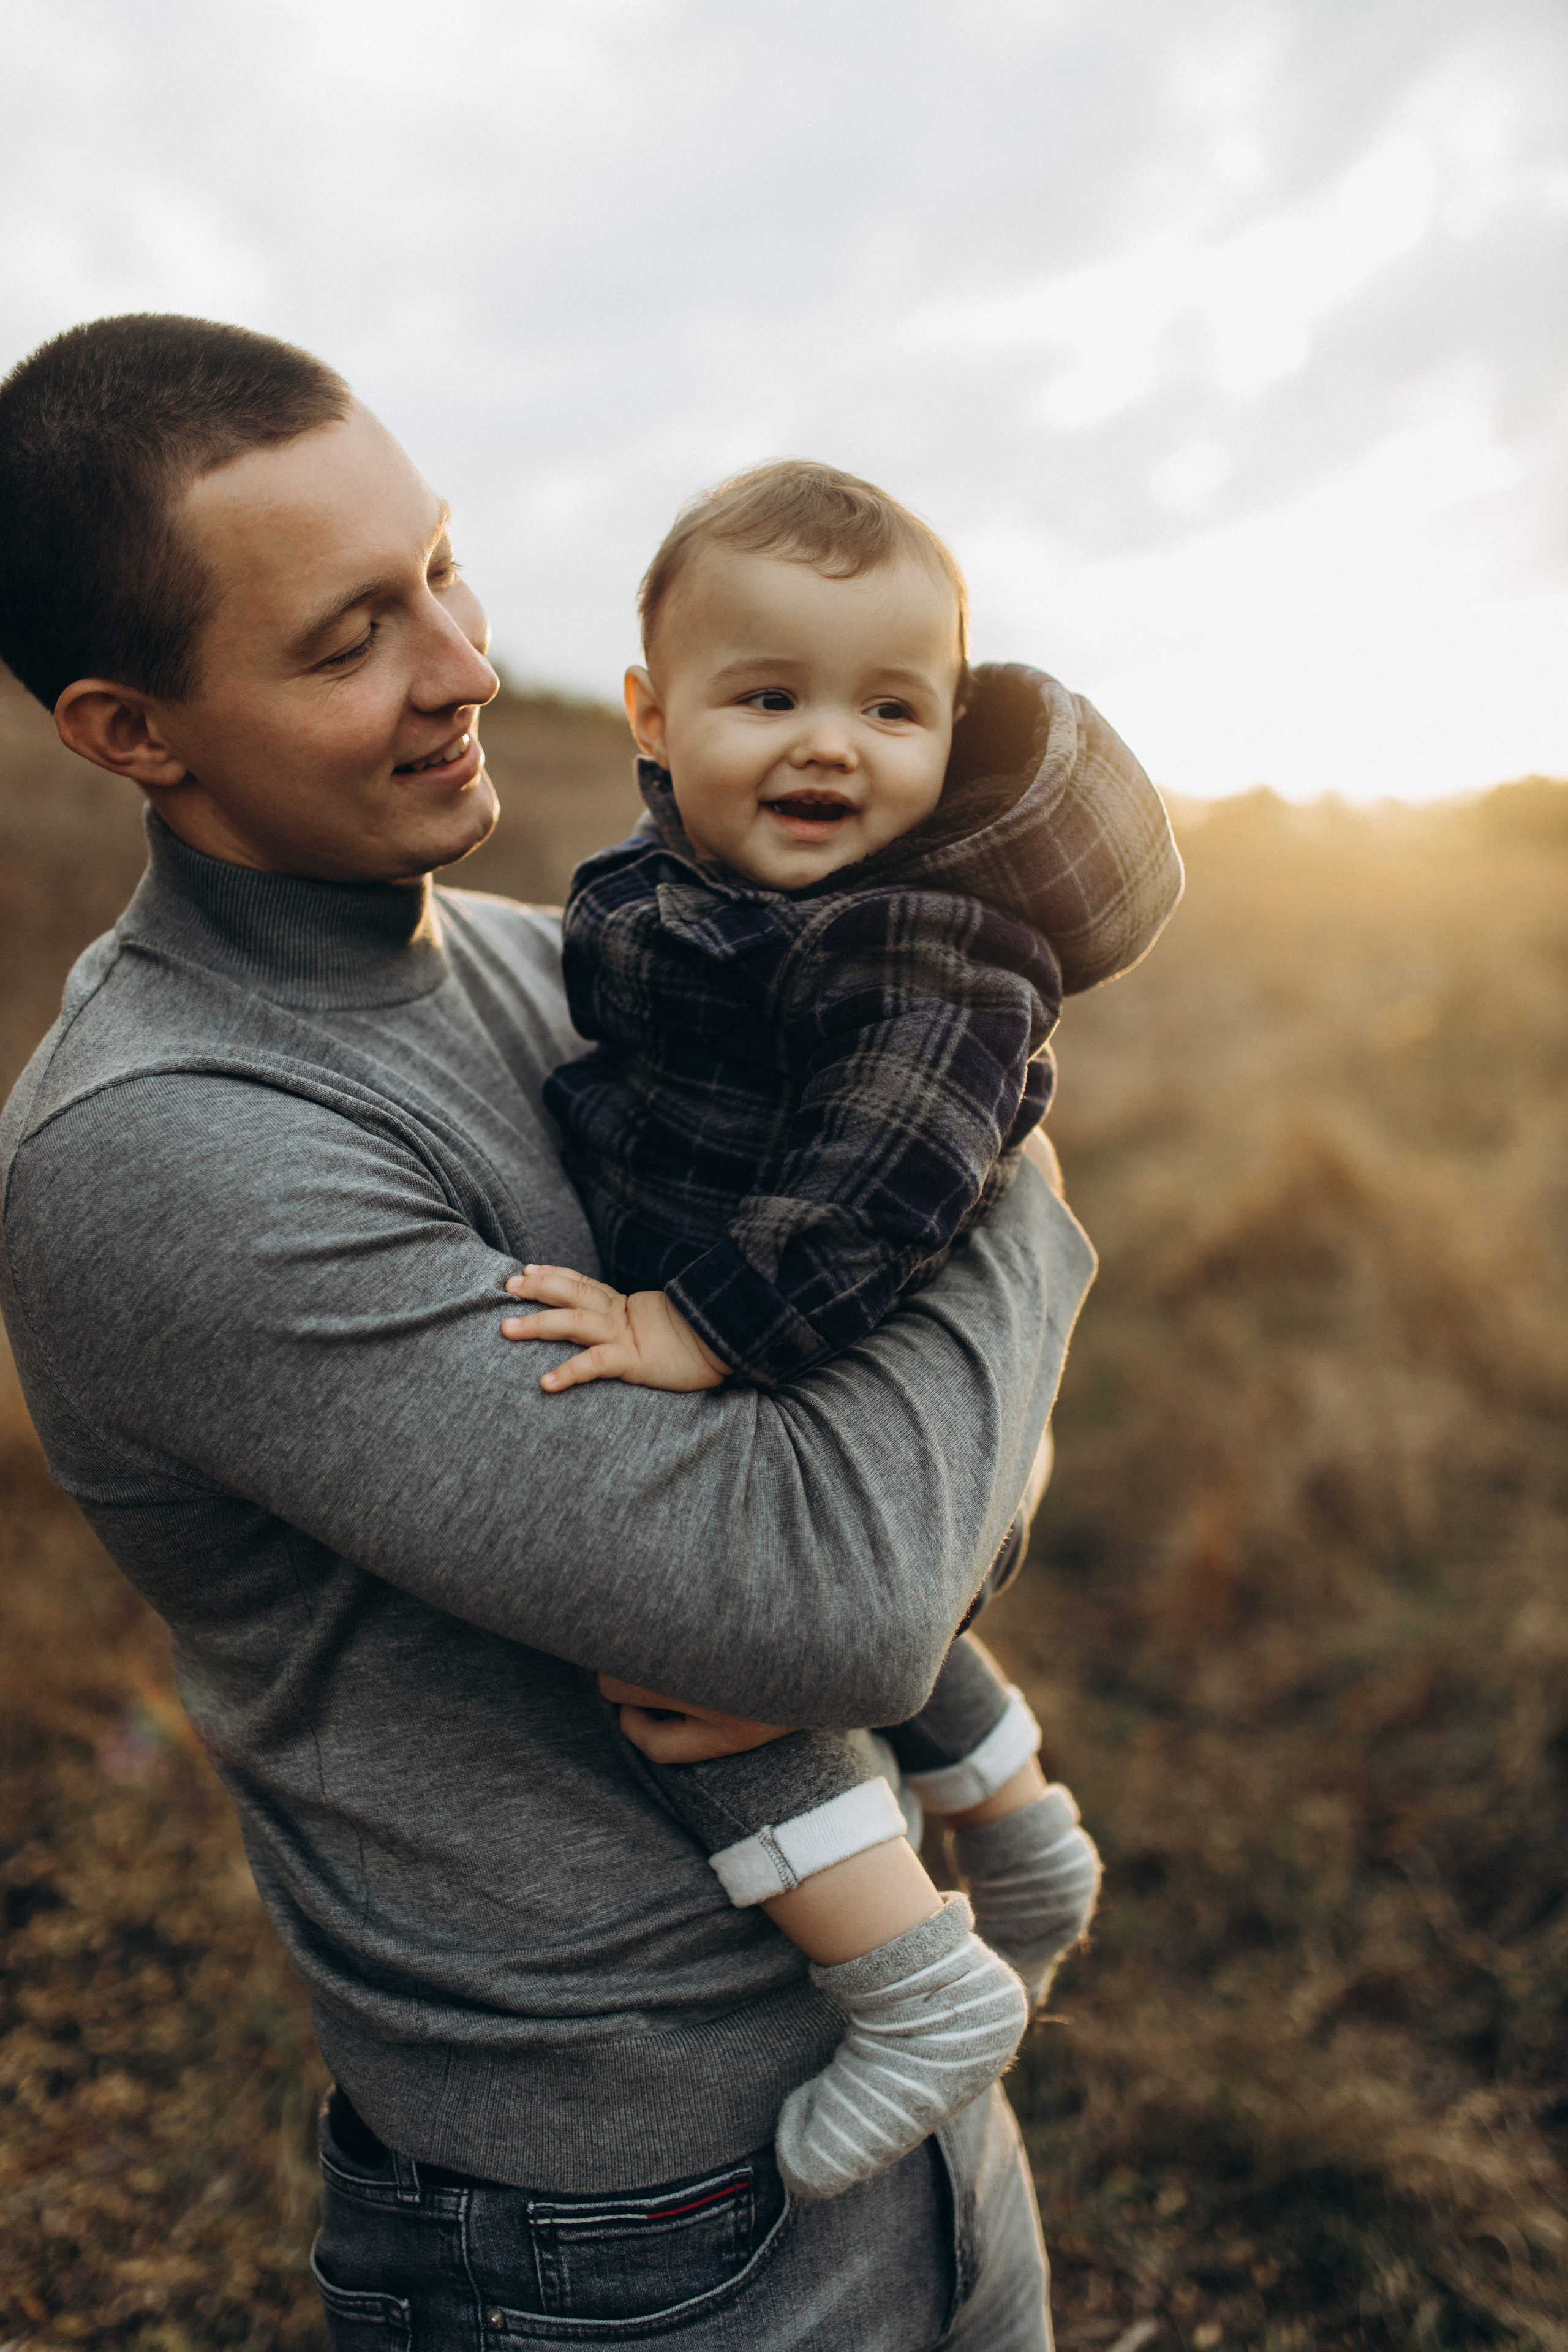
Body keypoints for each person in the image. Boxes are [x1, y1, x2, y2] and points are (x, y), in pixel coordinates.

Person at [0, 314, 1179, 2350]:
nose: (463, 663)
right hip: (628, 2233)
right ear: (129, 728)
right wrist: (998, 1146)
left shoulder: (567, 959)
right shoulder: (167, 1149)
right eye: (351, 638)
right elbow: (849, 1596)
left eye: (442, 566)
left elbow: (932, 1496)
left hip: (920, 2119)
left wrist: (967, 1098)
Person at [498, 462, 1179, 2204]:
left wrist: (700, 1324)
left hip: (806, 1325)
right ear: (653, 718)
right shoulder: (706, 889)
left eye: (891, 708)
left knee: (701, 1665)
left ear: (950, 728)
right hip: (768, 1303)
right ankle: (1019, 1824)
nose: (831, 746)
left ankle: (914, 1983)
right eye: (769, 697)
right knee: (866, 1617)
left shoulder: (920, 944)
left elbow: (883, 1184)